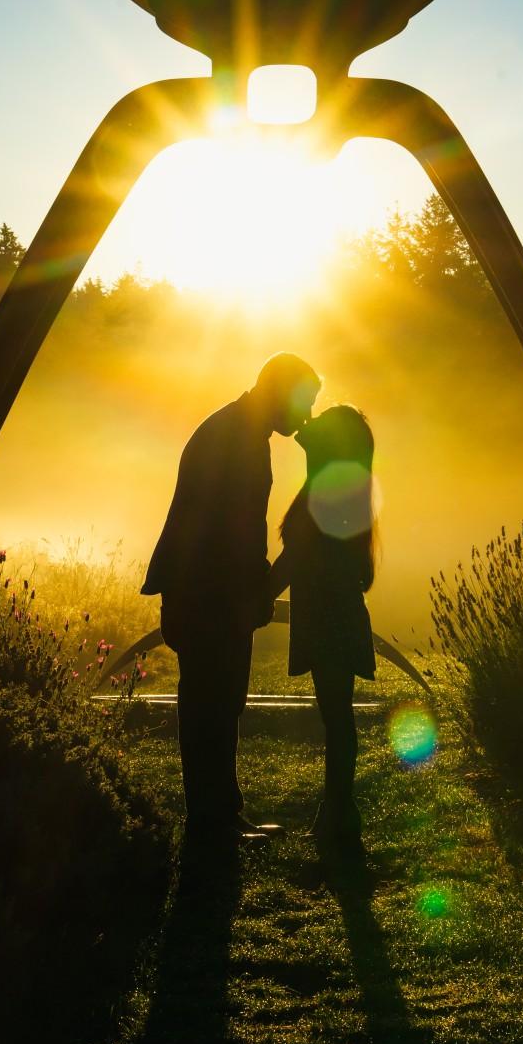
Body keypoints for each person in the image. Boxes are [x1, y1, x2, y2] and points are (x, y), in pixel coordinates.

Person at [142, 353, 321, 844]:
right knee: (210, 703)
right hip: (208, 593)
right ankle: (212, 820)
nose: (305, 417)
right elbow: (222, 530)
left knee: (218, 702)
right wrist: (246, 588)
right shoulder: (235, 438)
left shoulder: (238, 431)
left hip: (210, 590)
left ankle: (220, 814)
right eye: (304, 404)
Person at [267, 405, 377, 848]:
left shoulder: (329, 493)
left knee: (336, 716)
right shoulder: (339, 488)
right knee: (336, 716)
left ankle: (339, 813)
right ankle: (337, 811)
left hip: (329, 614)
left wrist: (259, 593)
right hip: (333, 612)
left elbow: (295, 559)